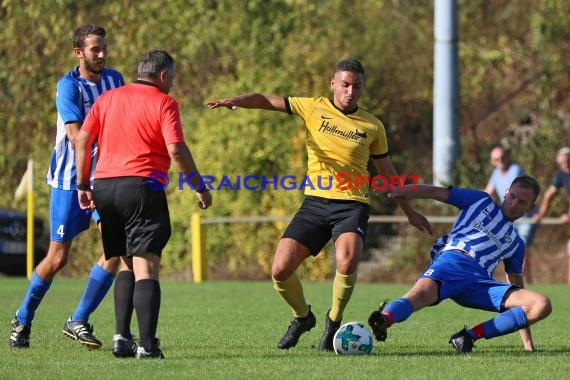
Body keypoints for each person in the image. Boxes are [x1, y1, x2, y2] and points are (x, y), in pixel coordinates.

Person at [207, 58, 432, 351]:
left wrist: (409, 211)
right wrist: (238, 100)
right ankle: (302, 318)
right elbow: (266, 100)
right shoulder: (312, 106)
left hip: (352, 204)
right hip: (315, 203)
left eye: (357, 86)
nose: (350, 91)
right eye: (345, 84)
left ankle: (333, 323)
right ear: (333, 83)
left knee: (347, 260)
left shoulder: (372, 126)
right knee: (280, 269)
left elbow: (390, 177)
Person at [76, 50, 212, 359]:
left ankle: (122, 337)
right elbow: (176, 150)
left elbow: (83, 141)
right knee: (147, 264)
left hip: (105, 187)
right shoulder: (164, 102)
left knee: (126, 261)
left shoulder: (108, 98)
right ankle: (148, 347)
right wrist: (199, 187)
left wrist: (84, 185)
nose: (172, 84)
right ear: (163, 76)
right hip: (140, 187)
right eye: (172, 78)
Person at [9, 25, 126, 350]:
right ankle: (23, 317)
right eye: (94, 50)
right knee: (57, 257)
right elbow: (77, 137)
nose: (101, 55)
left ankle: (78, 318)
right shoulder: (68, 86)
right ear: (79, 52)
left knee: (116, 248)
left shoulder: (116, 80)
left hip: (106, 178)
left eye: (104, 48)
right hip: (69, 182)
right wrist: (83, 181)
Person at [368, 176, 552, 353]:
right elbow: (435, 192)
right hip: (453, 262)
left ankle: (468, 337)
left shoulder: (516, 243)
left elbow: (518, 289)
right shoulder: (481, 201)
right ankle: (384, 319)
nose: (513, 204)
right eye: (512, 196)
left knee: (541, 304)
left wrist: (527, 343)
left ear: (531, 207)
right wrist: (400, 190)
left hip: (480, 284)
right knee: (419, 294)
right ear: (506, 192)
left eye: (521, 202)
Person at [484, 145, 538, 282]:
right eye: (496, 159)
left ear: (507, 157)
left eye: (502, 157)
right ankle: (519, 280)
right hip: (509, 217)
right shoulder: (495, 174)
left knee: (521, 246)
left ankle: (525, 280)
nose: (500, 161)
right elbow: (487, 193)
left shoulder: (515, 169)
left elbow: (514, 193)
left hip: (524, 217)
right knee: (510, 248)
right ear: (492, 162)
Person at [533, 147, 570, 224]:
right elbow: (548, 195)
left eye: (568, 162)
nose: (565, 165)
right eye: (562, 163)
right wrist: (540, 215)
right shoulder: (561, 174)